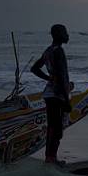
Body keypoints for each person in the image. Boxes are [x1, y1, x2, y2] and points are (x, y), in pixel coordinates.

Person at [30, 24, 73, 166]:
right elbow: (60, 76)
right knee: (57, 128)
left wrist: (49, 79)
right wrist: (67, 100)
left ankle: (50, 158)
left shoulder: (48, 51)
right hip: (57, 95)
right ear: (59, 34)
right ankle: (51, 159)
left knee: (53, 126)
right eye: (65, 32)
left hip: (50, 93)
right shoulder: (58, 51)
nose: (67, 35)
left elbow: (34, 68)